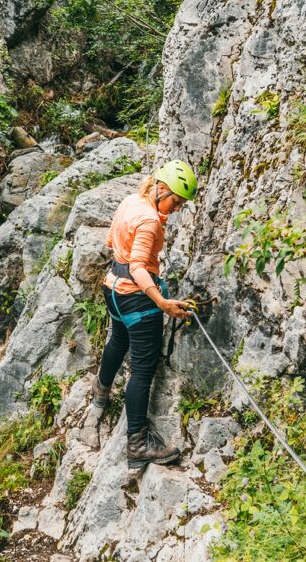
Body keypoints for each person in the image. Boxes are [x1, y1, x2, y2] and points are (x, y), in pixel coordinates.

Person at [91, 160, 197, 469]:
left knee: (118, 340)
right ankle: (137, 444)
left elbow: (111, 241)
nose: (176, 208)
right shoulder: (150, 220)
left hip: (112, 288)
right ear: (162, 189)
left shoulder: (130, 202)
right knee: (142, 369)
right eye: (175, 201)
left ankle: (100, 392)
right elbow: (138, 267)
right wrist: (163, 303)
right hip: (136, 299)